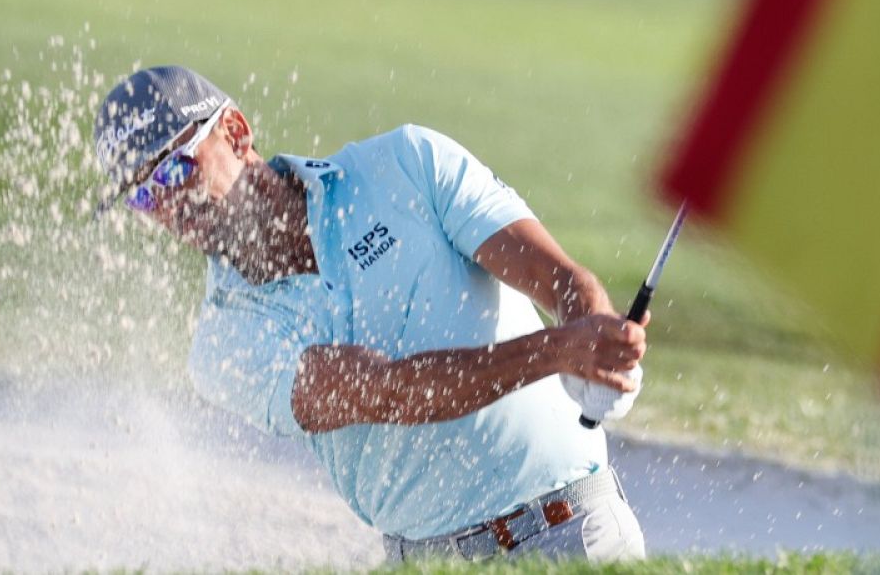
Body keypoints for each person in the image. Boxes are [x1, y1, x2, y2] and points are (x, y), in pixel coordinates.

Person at [91, 65, 648, 562]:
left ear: (235, 132)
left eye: (173, 170)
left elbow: (562, 279)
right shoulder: (224, 344)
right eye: (142, 196)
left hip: (574, 529)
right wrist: (557, 352)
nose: (168, 206)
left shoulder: (406, 164)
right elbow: (392, 393)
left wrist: (597, 342)